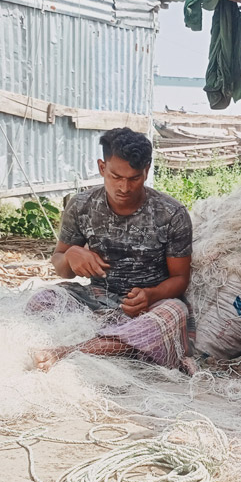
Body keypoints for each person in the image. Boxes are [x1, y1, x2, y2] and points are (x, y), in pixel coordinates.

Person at [27, 127, 195, 373]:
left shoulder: (171, 214)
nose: (124, 188)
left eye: (134, 178)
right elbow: (61, 267)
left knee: (174, 313)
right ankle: (113, 345)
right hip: (94, 301)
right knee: (42, 299)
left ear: (147, 171)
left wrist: (150, 295)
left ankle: (67, 351)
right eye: (116, 176)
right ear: (102, 167)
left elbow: (180, 279)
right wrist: (71, 256)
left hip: (146, 309)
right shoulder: (82, 206)